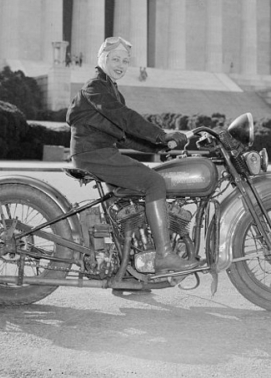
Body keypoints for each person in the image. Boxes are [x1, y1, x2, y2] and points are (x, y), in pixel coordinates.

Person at [66, 36, 200, 274]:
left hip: (100, 151)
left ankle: (131, 269)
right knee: (154, 183)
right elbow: (125, 118)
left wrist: (160, 147)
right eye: (115, 59)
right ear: (102, 59)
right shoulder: (96, 86)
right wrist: (161, 134)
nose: (121, 64)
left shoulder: (111, 90)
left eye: (125, 61)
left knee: (132, 199)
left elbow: (124, 136)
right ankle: (164, 255)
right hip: (93, 153)